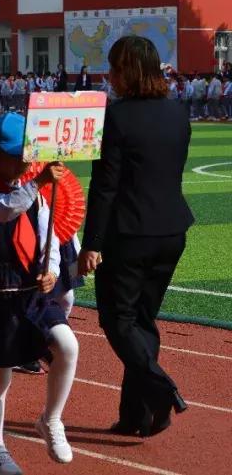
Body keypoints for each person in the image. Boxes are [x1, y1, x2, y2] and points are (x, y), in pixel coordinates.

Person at [79, 35, 193, 438]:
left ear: (128, 71)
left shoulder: (117, 117)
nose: (109, 76)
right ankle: (135, 416)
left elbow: (105, 186)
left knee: (117, 320)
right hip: (171, 229)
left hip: (129, 233)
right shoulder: (179, 113)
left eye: (114, 68)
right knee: (142, 322)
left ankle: (159, 389)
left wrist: (92, 242)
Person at [0, 113, 78, 475]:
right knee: (0, 380)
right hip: (0, 294)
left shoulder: (36, 198)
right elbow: (7, 210)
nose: (23, 162)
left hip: (33, 294)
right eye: (14, 155)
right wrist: (38, 182)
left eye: (26, 155)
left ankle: (51, 419)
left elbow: (50, 240)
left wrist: (52, 270)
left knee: (68, 347)